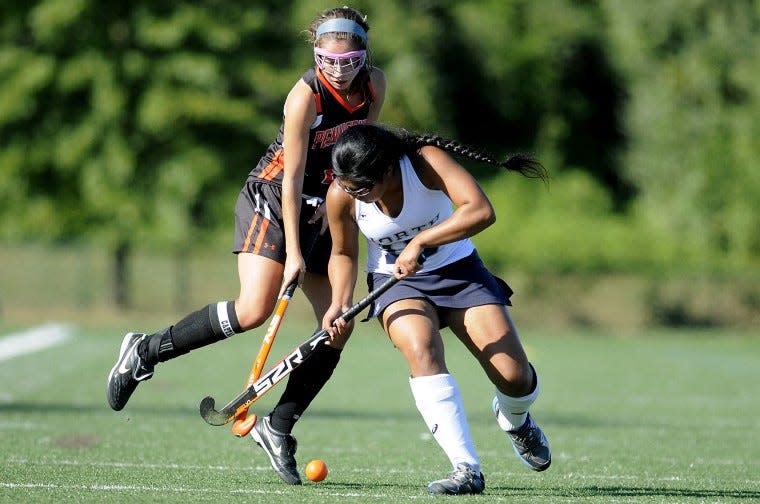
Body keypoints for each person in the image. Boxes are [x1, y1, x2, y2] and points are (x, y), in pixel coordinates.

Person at [106, 7, 386, 486]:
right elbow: (294, 175)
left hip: (325, 204)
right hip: (275, 199)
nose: (339, 69)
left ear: (364, 54)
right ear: (315, 54)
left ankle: (279, 428)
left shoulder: (374, 84)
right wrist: (295, 253)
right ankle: (145, 351)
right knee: (254, 308)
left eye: (349, 59)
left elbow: (358, 153)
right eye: (328, 59)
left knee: (336, 325)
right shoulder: (304, 98)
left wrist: (340, 203)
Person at [322, 123, 551, 495]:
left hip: (458, 270)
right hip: (394, 281)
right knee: (421, 349)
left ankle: (516, 420)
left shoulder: (424, 163)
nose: (354, 195)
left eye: (361, 187)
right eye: (347, 185)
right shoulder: (342, 195)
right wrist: (339, 302)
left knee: (514, 377)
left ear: (387, 169)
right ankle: (466, 469)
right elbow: (344, 252)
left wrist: (421, 241)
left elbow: (480, 210)